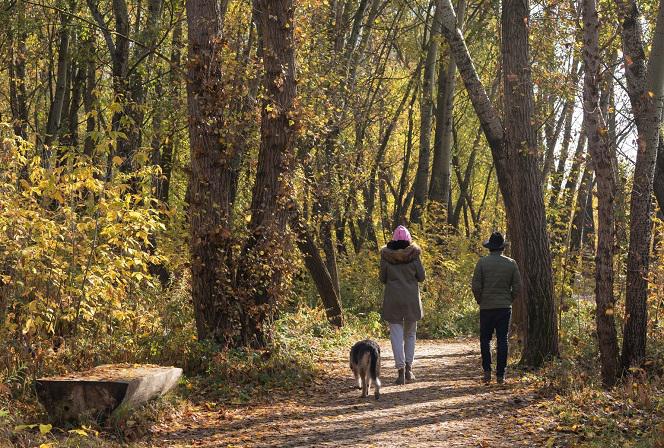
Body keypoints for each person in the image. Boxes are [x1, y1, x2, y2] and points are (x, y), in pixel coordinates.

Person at [471, 231, 521, 385]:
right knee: (503, 340)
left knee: (485, 339)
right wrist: (509, 299)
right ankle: (501, 374)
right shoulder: (511, 263)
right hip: (504, 308)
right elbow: (517, 286)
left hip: (486, 307)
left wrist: (481, 300)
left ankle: (487, 371)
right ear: (502, 247)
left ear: (490, 247)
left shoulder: (482, 263)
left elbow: (476, 286)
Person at [380, 225, 426, 385]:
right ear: (409, 240)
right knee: (410, 334)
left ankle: (400, 371)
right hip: (411, 300)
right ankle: (408, 369)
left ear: (393, 239)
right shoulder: (414, 255)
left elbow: (382, 278)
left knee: (396, 335)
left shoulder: (386, 255)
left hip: (393, 299)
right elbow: (421, 277)